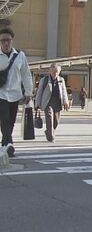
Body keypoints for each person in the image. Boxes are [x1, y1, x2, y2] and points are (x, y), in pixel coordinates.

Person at [0, 27, 33, 157]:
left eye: (8, 40)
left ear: (12, 41)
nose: (6, 43)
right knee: (4, 119)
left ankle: (5, 144)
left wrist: (28, 92)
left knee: (11, 121)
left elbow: (26, 75)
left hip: (15, 94)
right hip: (1, 94)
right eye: (2, 41)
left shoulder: (20, 56)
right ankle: (9, 144)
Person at [34, 64, 70, 142]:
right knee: (49, 118)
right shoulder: (44, 80)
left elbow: (64, 91)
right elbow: (39, 92)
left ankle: (48, 132)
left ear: (59, 72)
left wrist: (66, 102)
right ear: (50, 71)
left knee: (56, 121)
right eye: (53, 71)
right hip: (48, 102)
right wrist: (37, 104)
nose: (55, 73)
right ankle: (51, 137)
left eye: (57, 72)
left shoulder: (61, 80)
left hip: (58, 102)